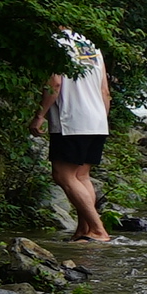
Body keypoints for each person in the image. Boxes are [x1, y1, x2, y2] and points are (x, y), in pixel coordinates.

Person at [40, 26, 114, 242]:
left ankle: (99, 230)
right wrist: (102, 121)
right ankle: (84, 231)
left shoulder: (58, 44)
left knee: (63, 175)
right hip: (97, 119)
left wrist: (40, 115)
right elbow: (105, 92)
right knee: (81, 176)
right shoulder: (91, 47)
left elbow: (55, 82)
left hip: (71, 119)